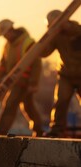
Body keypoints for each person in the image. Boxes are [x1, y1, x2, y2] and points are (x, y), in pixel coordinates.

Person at [0, 19, 43, 137]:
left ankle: (0, 132)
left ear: (11, 30)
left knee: (10, 104)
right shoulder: (8, 46)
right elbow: (3, 63)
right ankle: (39, 130)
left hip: (24, 82)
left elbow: (36, 64)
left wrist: (33, 83)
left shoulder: (28, 42)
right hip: (14, 82)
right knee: (28, 106)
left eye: (5, 34)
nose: (5, 37)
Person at [41, 10, 81, 138]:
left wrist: (69, 28)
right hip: (66, 75)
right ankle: (57, 130)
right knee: (61, 102)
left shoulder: (78, 31)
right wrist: (40, 44)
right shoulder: (56, 36)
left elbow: (76, 30)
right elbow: (45, 52)